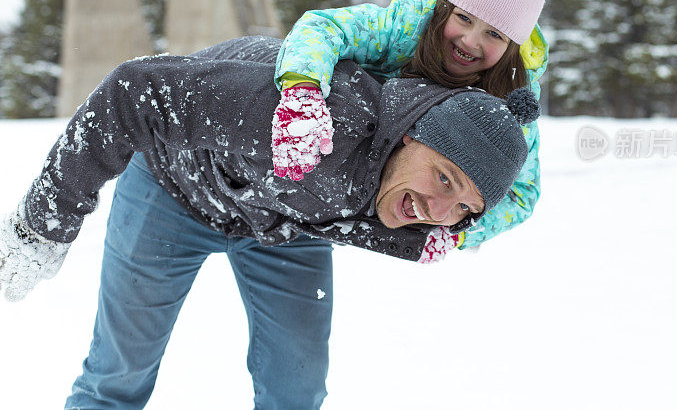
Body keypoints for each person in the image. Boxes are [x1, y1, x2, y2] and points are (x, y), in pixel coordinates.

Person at [0, 35, 538, 408]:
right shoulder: (315, 116)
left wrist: (424, 237)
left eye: (465, 206)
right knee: (119, 372)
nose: (439, 213)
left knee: (296, 387)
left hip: (286, 226)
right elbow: (132, 91)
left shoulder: (418, 214)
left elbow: (427, 217)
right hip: (174, 189)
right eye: (444, 179)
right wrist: (41, 224)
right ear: (411, 136)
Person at [271, 0, 552, 249]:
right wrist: (303, 92)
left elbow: (522, 194)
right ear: (445, 8)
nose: (471, 41)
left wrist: (456, 231)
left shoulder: (507, 104)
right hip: (314, 169)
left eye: (494, 34)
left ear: (511, 46)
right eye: (463, 18)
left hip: (333, 213)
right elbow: (323, 28)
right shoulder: (402, 30)